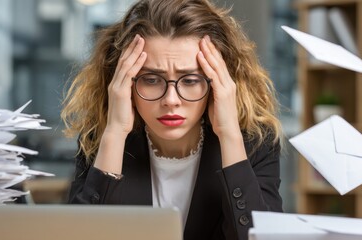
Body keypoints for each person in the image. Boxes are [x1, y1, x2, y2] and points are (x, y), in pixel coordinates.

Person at [61, 0, 283, 239]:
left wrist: (229, 133)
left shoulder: (256, 142)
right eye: (152, 80)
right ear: (125, 83)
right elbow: (83, 234)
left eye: (190, 81)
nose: (171, 100)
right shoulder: (101, 140)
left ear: (218, 83)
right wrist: (115, 132)